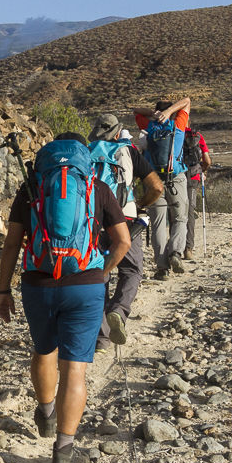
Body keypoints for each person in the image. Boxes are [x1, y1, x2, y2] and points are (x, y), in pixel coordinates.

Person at [0, 132, 131, 463]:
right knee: (75, 370)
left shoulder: (31, 189)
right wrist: (102, 271)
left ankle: (45, 413)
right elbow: (123, 241)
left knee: (44, 350)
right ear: (83, 157)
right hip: (84, 285)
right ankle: (64, 453)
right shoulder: (96, 187)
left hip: (38, 283)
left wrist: (3, 291)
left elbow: (12, 244)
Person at [88, 115, 165, 350]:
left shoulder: (86, 152)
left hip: (94, 221)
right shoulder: (129, 152)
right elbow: (157, 187)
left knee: (100, 273)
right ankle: (119, 312)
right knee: (131, 270)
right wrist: (140, 203)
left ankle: (101, 338)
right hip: (125, 219)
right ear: (118, 131)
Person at [133, 97, 191, 280]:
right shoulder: (178, 123)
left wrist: (153, 114)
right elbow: (187, 101)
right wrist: (169, 113)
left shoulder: (149, 126)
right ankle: (175, 252)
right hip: (176, 177)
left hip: (153, 179)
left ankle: (162, 269)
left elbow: (135, 109)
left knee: (158, 223)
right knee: (181, 218)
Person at [183, 127, 211, 260]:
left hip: (175, 176)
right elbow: (207, 161)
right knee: (190, 212)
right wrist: (201, 170)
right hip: (193, 178)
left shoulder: (174, 133)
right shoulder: (197, 135)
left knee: (175, 211)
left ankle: (173, 248)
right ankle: (188, 249)